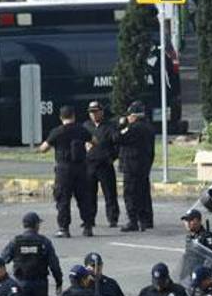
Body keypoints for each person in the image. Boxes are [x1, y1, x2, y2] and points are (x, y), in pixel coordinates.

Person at [39, 105, 96, 238]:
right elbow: (95, 141)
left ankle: (64, 228)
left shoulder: (57, 131)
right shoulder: (81, 130)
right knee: (83, 198)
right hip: (81, 168)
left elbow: (44, 148)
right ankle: (88, 227)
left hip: (64, 170)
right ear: (73, 116)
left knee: (63, 199)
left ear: (61, 117)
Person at [118, 102, 156, 233]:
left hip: (131, 165)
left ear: (133, 116)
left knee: (130, 193)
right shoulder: (149, 127)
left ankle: (133, 221)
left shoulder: (133, 128)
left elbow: (119, 138)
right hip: (145, 164)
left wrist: (121, 125)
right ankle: (147, 220)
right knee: (144, 192)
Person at [84, 101, 121, 229]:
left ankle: (112, 218)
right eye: (91, 112)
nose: (93, 115)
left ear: (101, 112)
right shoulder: (86, 126)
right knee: (89, 194)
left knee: (110, 194)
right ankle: (89, 219)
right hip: (89, 165)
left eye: (96, 112)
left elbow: (117, 144)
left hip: (105, 164)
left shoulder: (110, 126)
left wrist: (112, 157)